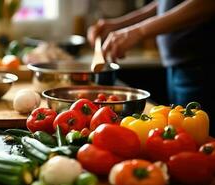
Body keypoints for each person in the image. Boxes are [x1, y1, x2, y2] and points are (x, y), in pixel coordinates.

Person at [88, 0, 215, 136]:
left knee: (200, 143)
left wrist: (139, 31)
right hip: (179, 66)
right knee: (182, 137)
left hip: (203, 64)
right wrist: (121, 24)